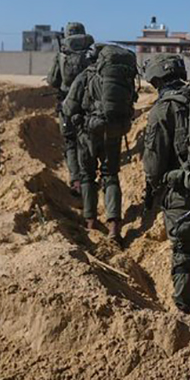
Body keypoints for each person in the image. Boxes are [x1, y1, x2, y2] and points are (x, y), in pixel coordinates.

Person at [142, 54, 190, 313]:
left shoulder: (162, 110)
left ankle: (184, 313)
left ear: (156, 80)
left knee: (183, 256)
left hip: (182, 195)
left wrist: (156, 188)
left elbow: (153, 164)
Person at [64, 44, 136, 242]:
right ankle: (114, 225)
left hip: (88, 133)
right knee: (110, 175)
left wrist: (78, 117)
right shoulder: (122, 77)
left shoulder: (85, 76)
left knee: (87, 176)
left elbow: (69, 107)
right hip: (114, 133)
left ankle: (90, 220)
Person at [47, 22, 94, 196]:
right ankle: (90, 178)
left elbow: (53, 80)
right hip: (89, 105)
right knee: (88, 141)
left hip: (67, 104)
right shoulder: (92, 53)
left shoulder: (62, 54)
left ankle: (76, 181)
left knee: (70, 143)